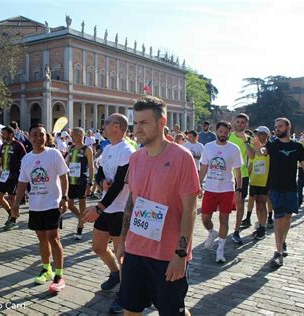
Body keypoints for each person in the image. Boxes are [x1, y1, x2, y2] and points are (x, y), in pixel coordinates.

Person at [116, 96, 199, 315]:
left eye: (144, 123)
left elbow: (190, 209)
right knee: (131, 309)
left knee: (172, 311)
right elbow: (132, 202)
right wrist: (123, 241)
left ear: (161, 122)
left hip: (167, 254)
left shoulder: (182, 157)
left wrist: (181, 254)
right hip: (136, 250)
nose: (138, 129)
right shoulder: (135, 158)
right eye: (136, 123)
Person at [83, 113, 135, 314]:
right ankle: (114, 274)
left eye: (105, 123)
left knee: (122, 256)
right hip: (107, 207)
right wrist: (101, 180)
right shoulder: (108, 147)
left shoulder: (127, 150)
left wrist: (98, 208)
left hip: (119, 209)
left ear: (116, 126)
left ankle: (125, 295)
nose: (102, 126)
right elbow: (101, 171)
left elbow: (120, 183)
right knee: (98, 247)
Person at [12, 123, 69, 293]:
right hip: (35, 205)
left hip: (52, 203)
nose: (38, 137)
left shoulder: (54, 154)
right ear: (29, 137)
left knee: (54, 238)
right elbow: (22, 183)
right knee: (42, 238)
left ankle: (59, 274)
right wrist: (16, 204)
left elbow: (64, 177)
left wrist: (64, 197)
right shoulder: (27, 159)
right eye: (35, 134)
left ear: (46, 137)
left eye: (41, 134)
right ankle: (46, 269)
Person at [250, 118, 304, 267]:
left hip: (291, 188)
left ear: (288, 127)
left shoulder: (297, 146)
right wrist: (258, 148)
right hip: (275, 188)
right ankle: (278, 253)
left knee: (287, 217)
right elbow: (263, 152)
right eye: (275, 127)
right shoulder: (273, 144)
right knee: (279, 218)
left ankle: (282, 241)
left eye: (280, 126)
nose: (277, 129)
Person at [199, 121, 243, 263]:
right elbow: (204, 167)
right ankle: (212, 233)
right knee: (205, 218)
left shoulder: (234, 149)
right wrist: (198, 184)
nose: (223, 134)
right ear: (216, 131)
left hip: (226, 189)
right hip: (210, 188)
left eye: (226, 132)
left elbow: (237, 171)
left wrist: (239, 189)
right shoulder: (208, 147)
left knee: (224, 219)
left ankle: (220, 250)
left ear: (229, 133)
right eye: (221, 131)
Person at [0, 126, 26, 230]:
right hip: (4, 174)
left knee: (12, 197)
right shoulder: (3, 145)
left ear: (11, 134)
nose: (2, 135)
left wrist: (23, 172)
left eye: (4, 133)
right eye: (2, 133)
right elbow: (0, 161)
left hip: (14, 174)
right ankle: (11, 213)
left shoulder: (18, 145)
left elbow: (25, 159)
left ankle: (13, 219)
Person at [65, 127, 94, 240]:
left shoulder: (87, 149)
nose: (72, 136)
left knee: (82, 206)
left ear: (81, 136)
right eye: (72, 135)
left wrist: (90, 183)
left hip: (82, 181)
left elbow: (91, 167)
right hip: (71, 180)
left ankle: (79, 230)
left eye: (74, 135)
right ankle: (82, 219)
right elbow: (67, 163)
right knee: (70, 205)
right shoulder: (71, 148)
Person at [245, 126, 271, 240]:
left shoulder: (269, 147)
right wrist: (247, 177)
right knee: (257, 203)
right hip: (255, 180)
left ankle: (262, 227)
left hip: (265, 180)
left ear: (266, 135)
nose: (257, 136)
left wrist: (258, 147)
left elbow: (262, 153)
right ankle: (260, 225)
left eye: (260, 134)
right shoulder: (254, 147)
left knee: (262, 203)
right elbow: (251, 163)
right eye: (256, 134)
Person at [228, 113, 251, 244]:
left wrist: (246, 141)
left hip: (242, 175)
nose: (240, 124)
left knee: (240, 202)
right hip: (227, 175)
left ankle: (236, 231)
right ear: (234, 122)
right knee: (225, 203)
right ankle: (222, 231)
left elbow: (252, 156)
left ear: (246, 124)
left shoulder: (249, 139)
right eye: (238, 122)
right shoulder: (229, 136)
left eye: (243, 122)